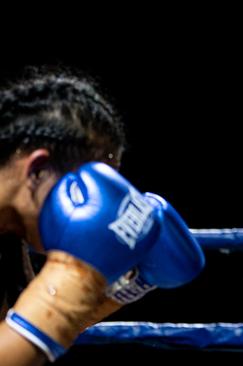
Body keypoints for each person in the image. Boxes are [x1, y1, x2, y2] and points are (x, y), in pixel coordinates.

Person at [0, 69, 205, 365]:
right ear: (38, 169)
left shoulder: (8, 239)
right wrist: (70, 280)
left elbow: (18, 341)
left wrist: (124, 289)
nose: (92, 207)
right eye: (81, 188)